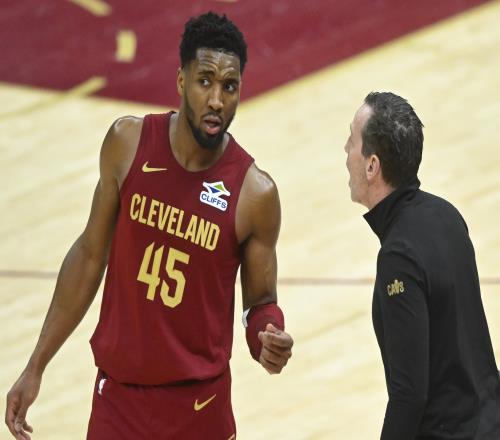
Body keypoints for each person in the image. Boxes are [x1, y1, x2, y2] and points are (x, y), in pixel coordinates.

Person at [5, 12, 294, 440]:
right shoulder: (127, 144)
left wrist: (266, 338)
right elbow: (89, 255)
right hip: (118, 402)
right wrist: (36, 365)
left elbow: (260, 304)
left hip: (199, 410)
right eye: (205, 81)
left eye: (229, 86)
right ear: (181, 81)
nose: (217, 100)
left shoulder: (255, 194)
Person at [344, 91, 500, 439]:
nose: (345, 150)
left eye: (352, 142)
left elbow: (409, 395)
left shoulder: (398, 257)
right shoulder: (446, 214)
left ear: (372, 166)